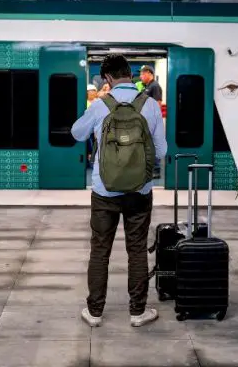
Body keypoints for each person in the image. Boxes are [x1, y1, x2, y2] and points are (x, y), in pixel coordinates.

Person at [70, 54, 167, 328]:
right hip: (140, 190)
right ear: (131, 74)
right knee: (136, 250)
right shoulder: (149, 104)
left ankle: (95, 313)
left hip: (104, 191)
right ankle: (137, 313)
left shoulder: (101, 105)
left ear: (108, 79)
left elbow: (77, 133)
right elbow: (161, 150)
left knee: (100, 250)